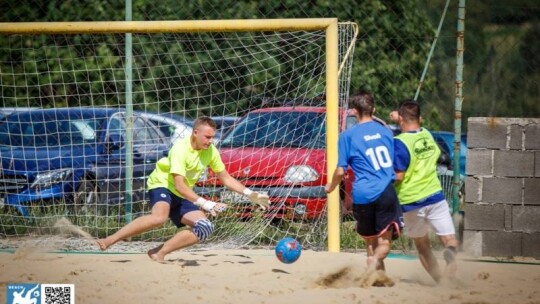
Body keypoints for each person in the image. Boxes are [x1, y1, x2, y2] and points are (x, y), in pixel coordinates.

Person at [97, 116, 270, 262]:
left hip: (183, 193)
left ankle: (159, 253)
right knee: (159, 217)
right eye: (207, 137)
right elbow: (178, 184)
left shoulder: (210, 151)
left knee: (205, 227)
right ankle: (110, 239)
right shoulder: (180, 148)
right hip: (163, 184)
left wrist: (249, 194)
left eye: (212, 137)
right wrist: (205, 203)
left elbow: (225, 177)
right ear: (195, 133)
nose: (210, 141)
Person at [325, 91, 402, 272]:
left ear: (353, 111)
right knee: (384, 243)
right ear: (373, 109)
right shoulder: (385, 131)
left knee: (370, 242)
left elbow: (340, 170)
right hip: (384, 191)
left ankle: (376, 275)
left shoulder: (347, 136)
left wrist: (331, 186)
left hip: (361, 195)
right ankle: (375, 263)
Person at [391, 100, 458, 282]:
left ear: (401, 118)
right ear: (419, 118)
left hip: (412, 201)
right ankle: (450, 257)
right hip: (435, 195)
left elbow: (399, 176)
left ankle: (440, 281)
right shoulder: (427, 134)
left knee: (422, 245)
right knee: (449, 239)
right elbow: (436, 155)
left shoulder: (400, 142)